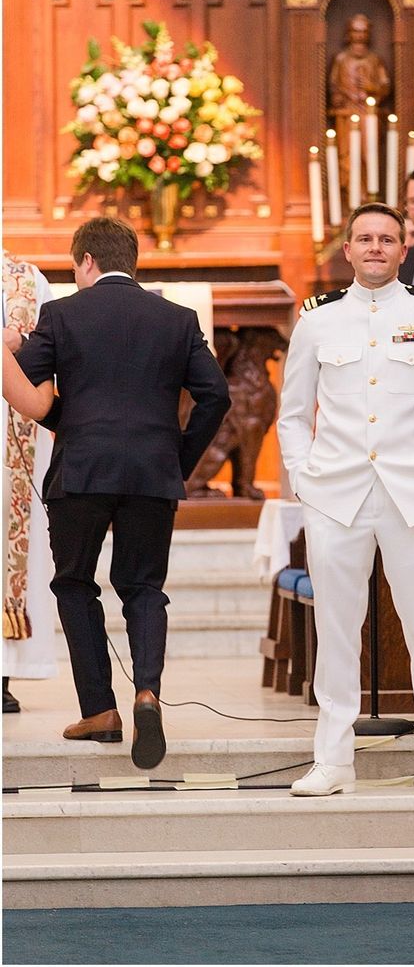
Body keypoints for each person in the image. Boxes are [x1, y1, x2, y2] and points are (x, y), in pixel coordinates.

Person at [277, 203, 414, 798]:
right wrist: (304, 477)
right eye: (364, 239)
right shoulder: (317, 322)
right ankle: (333, 759)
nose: (375, 248)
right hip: (336, 494)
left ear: (403, 249)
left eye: (387, 239)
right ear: (347, 250)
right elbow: (293, 414)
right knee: (337, 631)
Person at [15, 217, 231, 769]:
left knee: (73, 584)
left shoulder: (60, 314)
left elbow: (32, 391)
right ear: (131, 262)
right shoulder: (178, 318)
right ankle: (148, 693)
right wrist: (175, 459)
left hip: (82, 471)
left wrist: (76, 419)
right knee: (143, 588)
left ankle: (100, 711)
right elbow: (216, 397)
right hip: (152, 473)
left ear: (85, 260)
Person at [2, 252, 58, 714]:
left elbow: (53, 342)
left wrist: (17, 339)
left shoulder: (28, 279)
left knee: (9, 554)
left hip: (14, 441)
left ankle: (1, 672)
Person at [328, 14, 391, 190]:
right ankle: (353, 192)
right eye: (356, 31)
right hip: (347, 115)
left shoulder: (374, 59)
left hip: (368, 114)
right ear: (350, 33)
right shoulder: (341, 59)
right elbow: (333, 86)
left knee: (368, 154)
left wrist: (372, 87)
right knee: (348, 155)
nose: (360, 35)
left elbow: (385, 86)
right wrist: (339, 97)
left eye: (364, 31)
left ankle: (369, 191)